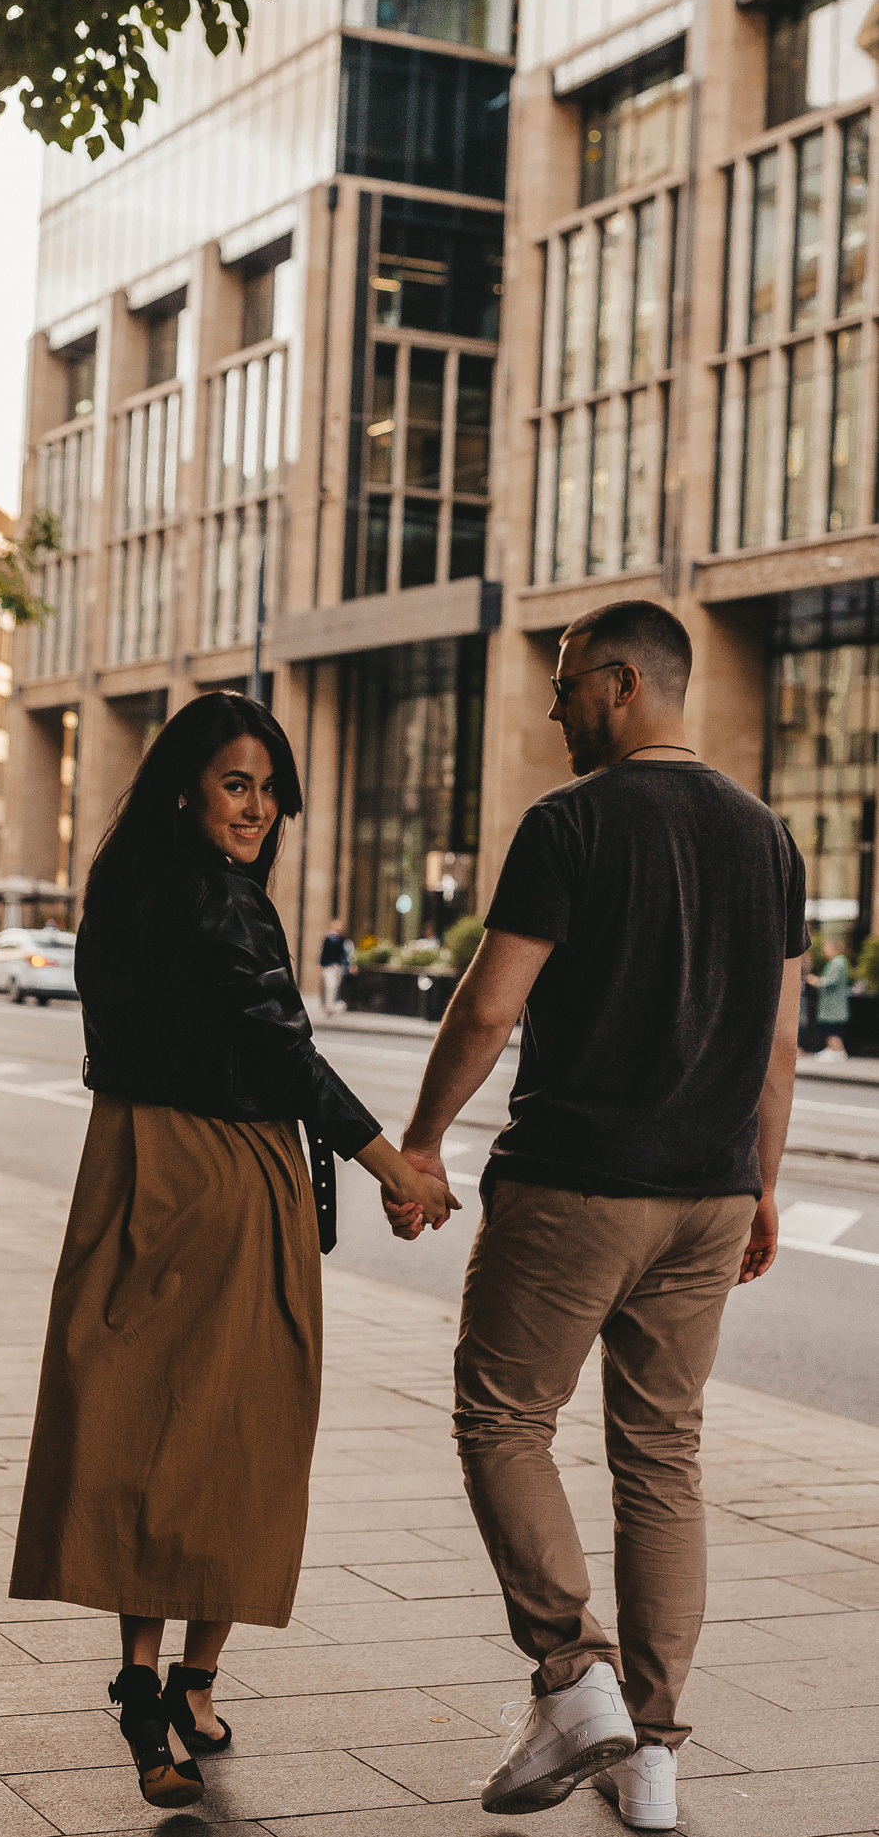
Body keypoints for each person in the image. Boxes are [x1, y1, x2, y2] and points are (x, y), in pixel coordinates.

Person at [385, 600, 805, 1827]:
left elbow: (485, 1007)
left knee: (501, 1415)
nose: (553, 706)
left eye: (566, 684)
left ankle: (576, 1674)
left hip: (576, 1181)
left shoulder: (570, 821)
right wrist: (762, 1181)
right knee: (660, 1459)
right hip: (710, 1195)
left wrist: (420, 1140)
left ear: (622, 683)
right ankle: (654, 1754)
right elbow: (777, 1045)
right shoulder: (767, 837)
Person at [10, 691, 454, 1812]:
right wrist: (390, 1162)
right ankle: (182, 1681)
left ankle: (156, 1682)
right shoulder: (226, 904)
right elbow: (277, 1043)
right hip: (223, 1173)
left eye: (266, 787)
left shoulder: (116, 888)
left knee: (140, 1422)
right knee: (244, 1425)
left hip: (125, 1166)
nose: (256, 807)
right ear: (185, 788)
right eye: (235, 784)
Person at [808, 935, 851, 1062]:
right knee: (830, 1029)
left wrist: (815, 980)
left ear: (834, 948)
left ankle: (838, 1052)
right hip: (832, 1005)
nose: (824, 951)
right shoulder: (838, 962)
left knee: (832, 1029)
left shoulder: (837, 963)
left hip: (833, 1005)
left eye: (826, 948)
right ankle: (832, 1050)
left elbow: (828, 982)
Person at [319, 917, 351, 1016]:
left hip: (337, 966)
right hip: (328, 965)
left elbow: (343, 953)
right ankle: (328, 1006)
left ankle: (331, 1005)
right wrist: (321, 964)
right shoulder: (328, 938)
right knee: (330, 985)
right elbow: (323, 952)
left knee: (335, 986)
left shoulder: (341, 938)